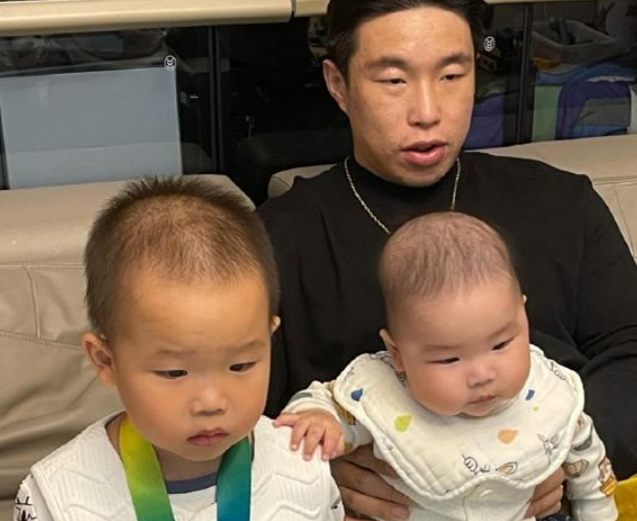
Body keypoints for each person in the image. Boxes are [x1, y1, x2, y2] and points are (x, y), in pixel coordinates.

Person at [257, 0, 637, 518]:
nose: (427, 111)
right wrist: (314, 476)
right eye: (394, 80)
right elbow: (226, 411)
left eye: (452, 75)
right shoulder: (277, 239)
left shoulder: (561, 203)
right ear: (338, 84)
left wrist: (559, 457)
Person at [14, 177, 344, 521]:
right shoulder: (56, 497)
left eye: (241, 365)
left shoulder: (304, 468)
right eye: (175, 372)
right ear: (106, 361)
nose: (212, 402)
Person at [276, 212, 619, 521]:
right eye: (449, 359)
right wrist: (317, 419)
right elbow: (326, 405)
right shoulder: (382, 395)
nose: (482, 375)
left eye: (501, 344)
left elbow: (590, 469)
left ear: (523, 315)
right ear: (397, 353)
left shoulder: (548, 394)